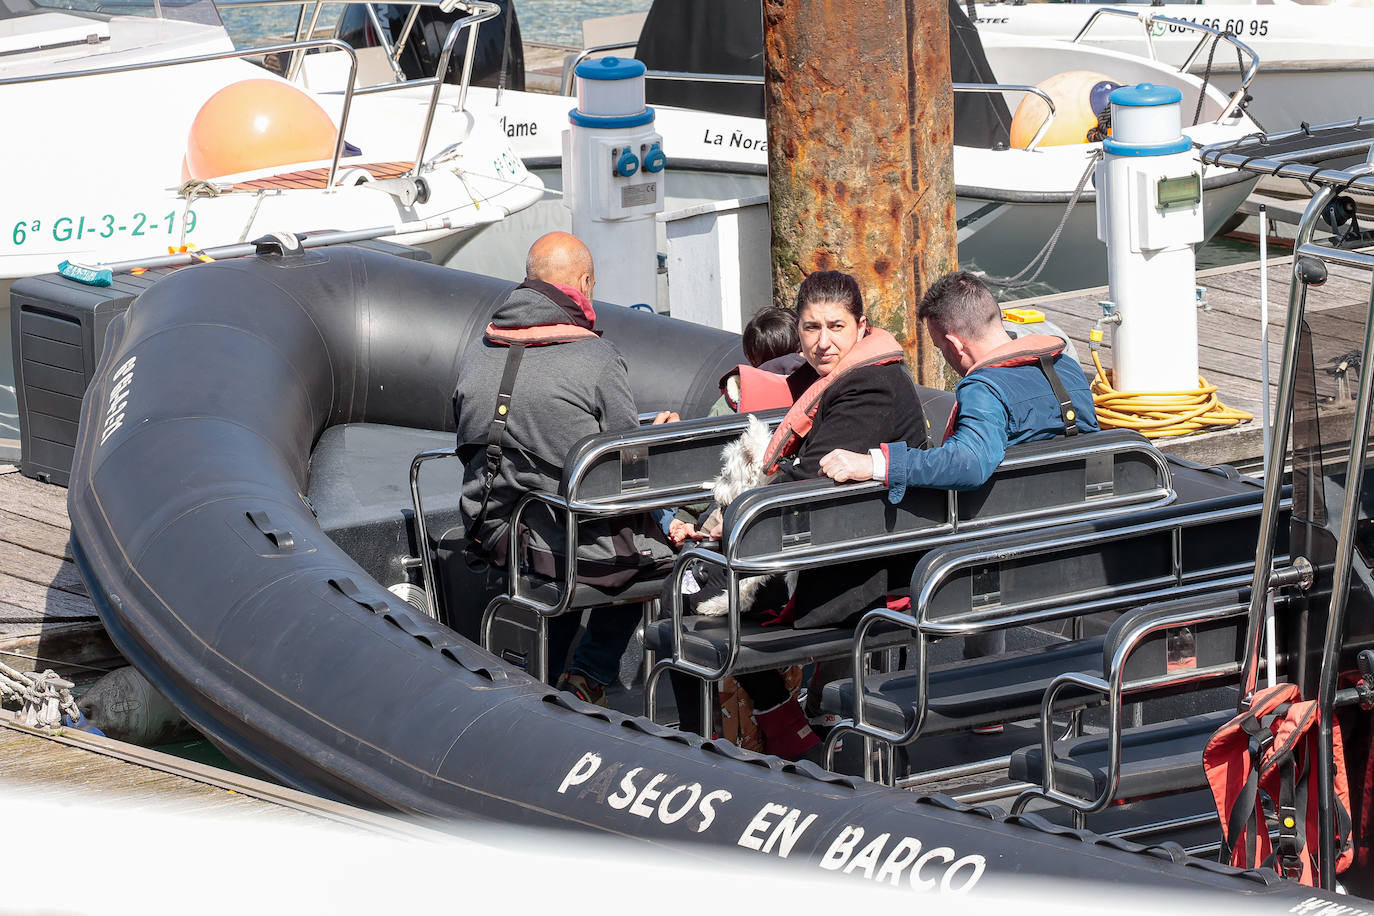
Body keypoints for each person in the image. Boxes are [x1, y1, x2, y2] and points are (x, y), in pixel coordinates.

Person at [671, 270, 928, 760]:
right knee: (695, 586)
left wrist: (732, 518)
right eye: (812, 328)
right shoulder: (839, 377)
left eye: (836, 327)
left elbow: (809, 478)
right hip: (842, 541)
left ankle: (745, 734)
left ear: (861, 326)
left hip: (860, 565)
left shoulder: (870, 387)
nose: (823, 341)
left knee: (686, 592)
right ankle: (773, 724)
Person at [818, 269, 1099, 705]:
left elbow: (969, 463)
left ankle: (872, 697)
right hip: (1077, 543)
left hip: (1006, 558)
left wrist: (876, 462)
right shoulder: (1064, 365)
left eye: (938, 347)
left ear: (953, 344)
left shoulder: (984, 388)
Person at [452, 231, 676, 707]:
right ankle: (590, 674)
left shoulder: (476, 351)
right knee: (663, 558)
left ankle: (543, 678)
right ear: (585, 282)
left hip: (494, 533)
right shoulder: (597, 358)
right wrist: (654, 437)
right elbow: (626, 465)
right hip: (567, 544)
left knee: (564, 538)